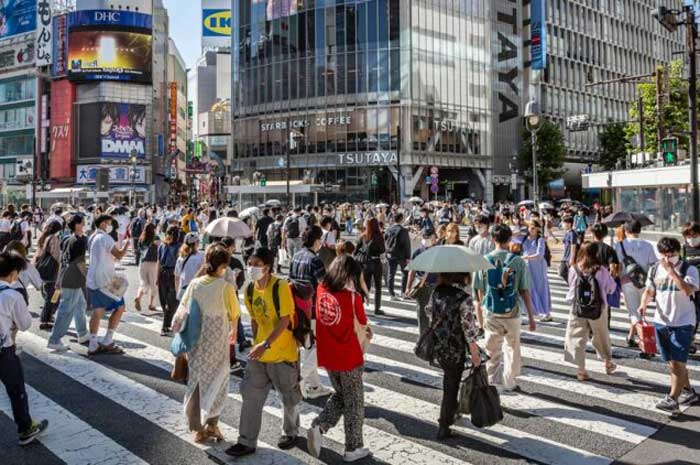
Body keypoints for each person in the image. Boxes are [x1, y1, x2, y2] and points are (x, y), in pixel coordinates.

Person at [226, 247, 302, 458]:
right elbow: (254, 318)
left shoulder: (280, 287)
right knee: (250, 395)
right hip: (259, 354)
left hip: (283, 354)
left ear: (267, 267)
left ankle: (291, 431)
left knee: (288, 397)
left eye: (256, 264)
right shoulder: (249, 289)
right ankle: (246, 441)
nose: (251, 268)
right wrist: (256, 343)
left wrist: (265, 344)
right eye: (250, 263)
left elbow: (286, 319)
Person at [173, 245, 240, 443]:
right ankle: (212, 424)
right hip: (217, 341)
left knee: (196, 381)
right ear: (223, 266)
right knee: (219, 381)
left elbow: (182, 308)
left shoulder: (195, 284)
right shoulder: (225, 287)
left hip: (195, 340)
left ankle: (198, 429)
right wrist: (233, 331)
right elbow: (234, 313)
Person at [307, 255, 372, 462]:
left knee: (342, 395)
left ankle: (320, 425)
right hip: (349, 355)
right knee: (354, 402)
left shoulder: (321, 290)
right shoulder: (353, 297)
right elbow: (362, 322)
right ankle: (353, 447)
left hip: (329, 354)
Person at [637, 237, 699, 413]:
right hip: (661, 321)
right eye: (665, 254)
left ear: (678, 252)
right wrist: (643, 304)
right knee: (673, 363)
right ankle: (688, 391)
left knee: (678, 362)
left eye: (672, 253)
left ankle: (673, 399)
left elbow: (688, 289)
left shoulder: (689, 269)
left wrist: (672, 272)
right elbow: (650, 290)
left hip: (684, 321)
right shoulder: (655, 269)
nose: (668, 257)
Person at [473, 224, 537, 392]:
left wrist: (481, 318)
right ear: (510, 240)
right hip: (513, 312)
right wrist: (531, 316)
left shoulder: (483, 261)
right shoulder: (518, 262)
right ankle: (509, 381)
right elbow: (524, 291)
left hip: (491, 312)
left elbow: (479, 293)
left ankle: (493, 382)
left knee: (492, 350)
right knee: (512, 348)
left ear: (493, 239)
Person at [0, 251, 50, 445]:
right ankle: (26, 428)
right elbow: (25, 324)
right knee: (16, 389)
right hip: (4, 351)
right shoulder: (12, 295)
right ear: (14, 273)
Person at [425, 272, 481, 439]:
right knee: (451, 385)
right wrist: (475, 352)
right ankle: (444, 424)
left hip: (439, 343)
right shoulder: (463, 298)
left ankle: (452, 411)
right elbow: (469, 328)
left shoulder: (437, 292)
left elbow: (428, 311)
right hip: (455, 346)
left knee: (449, 381)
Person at [564, 242, 618, 381]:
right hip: (597, 308)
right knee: (601, 336)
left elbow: (571, 285)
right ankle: (607, 363)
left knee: (577, 337)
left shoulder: (574, 268)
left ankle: (581, 370)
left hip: (578, 307)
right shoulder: (601, 270)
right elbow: (611, 288)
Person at [289, 225, 332, 399]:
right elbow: (325, 285)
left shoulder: (296, 256)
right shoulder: (315, 260)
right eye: (320, 240)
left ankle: (314, 386)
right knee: (318, 347)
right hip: (313, 309)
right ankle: (301, 378)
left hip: (297, 307)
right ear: (316, 241)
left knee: (308, 346)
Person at [86, 214, 130, 355]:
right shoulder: (105, 238)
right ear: (104, 224)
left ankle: (93, 343)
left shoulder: (92, 237)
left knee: (97, 311)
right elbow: (119, 255)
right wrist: (126, 245)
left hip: (93, 278)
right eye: (110, 223)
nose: (111, 226)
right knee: (120, 307)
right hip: (106, 280)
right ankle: (107, 339)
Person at [47, 214, 89, 351]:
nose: (84, 224)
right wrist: (88, 278)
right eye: (83, 222)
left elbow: (63, 261)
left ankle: (82, 333)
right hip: (73, 279)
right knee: (66, 309)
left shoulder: (66, 239)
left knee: (80, 304)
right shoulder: (78, 242)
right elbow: (80, 263)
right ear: (77, 225)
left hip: (66, 276)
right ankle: (54, 339)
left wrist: (59, 278)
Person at [615, 220, 657, 348]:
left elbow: (618, 265)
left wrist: (619, 278)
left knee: (633, 312)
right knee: (640, 310)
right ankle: (631, 336)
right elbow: (653, 265)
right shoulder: (648, 245)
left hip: (627, 282)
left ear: (626, 231)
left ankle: (644, 340)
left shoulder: (620, 245)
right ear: (639, 230)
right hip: (644, 282)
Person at [406, 229, 439, 337]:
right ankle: (423, 338)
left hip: (436, 286)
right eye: (425, 238)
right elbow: (412, 270)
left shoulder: (439, 252)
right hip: (422, 286)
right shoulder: (418, 252)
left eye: (430, 238)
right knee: (422, 314)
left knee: (436, 314)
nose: (427, 240)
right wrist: (408, 287)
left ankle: (433, 336)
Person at [521, 220, 552, 322]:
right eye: (530, 227)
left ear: (538, 229)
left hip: (538, 267)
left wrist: (526, 257)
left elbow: (539, 255)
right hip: (527, 266)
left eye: (533, 228)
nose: (531, 230)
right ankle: (532, 311)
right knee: (529, 288)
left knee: (541, 288)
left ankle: (547, 312)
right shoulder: (525, 238)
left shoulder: (540, 240)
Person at [34, 220, 63, 330]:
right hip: (52, 271)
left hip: (44, 270)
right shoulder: (54, 239)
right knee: (53, 296)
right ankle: (45, 319)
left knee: (51, 295)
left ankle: (49, 317)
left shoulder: (44, 237)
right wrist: (59, 273)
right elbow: (56, 257)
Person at [354, 218, 386, 316]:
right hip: (376, 262)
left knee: (365, 286)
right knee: (378, 287)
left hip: (365, 264)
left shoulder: (363, 236)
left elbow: (356, 250)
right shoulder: (379, 236)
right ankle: (377, 308)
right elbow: (382, 250)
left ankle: (361, 307)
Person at [158, 226, 181, 336]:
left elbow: (180, 262)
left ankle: (165, 326)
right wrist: (157, 277)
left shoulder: (179, 246)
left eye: (171, 234)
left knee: (172, 301)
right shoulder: (162, 245)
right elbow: (159, 262)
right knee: (163, 301)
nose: (168, 236)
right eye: (167, 233)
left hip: (174, 274)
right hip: (163, 274)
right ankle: (169, 321)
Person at [681, 222, 700, 354]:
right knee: (693, 316)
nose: (691, 238)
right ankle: (691, 340)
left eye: (695, 235)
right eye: (688, 235)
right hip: (691, 289)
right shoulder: (684, 249)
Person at [384, 213, 412, 300]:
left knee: (391, 274)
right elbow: (407, 244)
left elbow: (385, 241)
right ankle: (403, 292)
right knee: (405, 273)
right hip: (401, 255)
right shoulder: (403, 230)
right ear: (401, 219)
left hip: (390, 253)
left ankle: (391, 294)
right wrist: (408, 256)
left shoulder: (388, 229)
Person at [135, 223, 160, 312]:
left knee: (143, 283)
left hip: (142, 263)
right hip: (152, 263)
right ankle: (151, 304)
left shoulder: (141, 239)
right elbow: (159, 250)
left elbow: (138, 250)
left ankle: (138, 297)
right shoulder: (156, 238)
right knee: (153, 285)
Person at [175, 233, 205, 302]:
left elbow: (176, 277)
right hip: (196, 290)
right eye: (198, 241)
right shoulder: (200, 257)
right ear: (195, 243)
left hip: (183, 290)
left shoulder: (181, 257)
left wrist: (177, 292)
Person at [560, 216, 579, 283]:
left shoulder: (572, 234)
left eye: (563, 223)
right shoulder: (567, 233)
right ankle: (572, 285)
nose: (562, 224)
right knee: (562, 272)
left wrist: (572, 258)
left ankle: (574, 285)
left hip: (569, 257)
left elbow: (573, 246)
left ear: (569, 224)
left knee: (564, 272)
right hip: (565, 256)